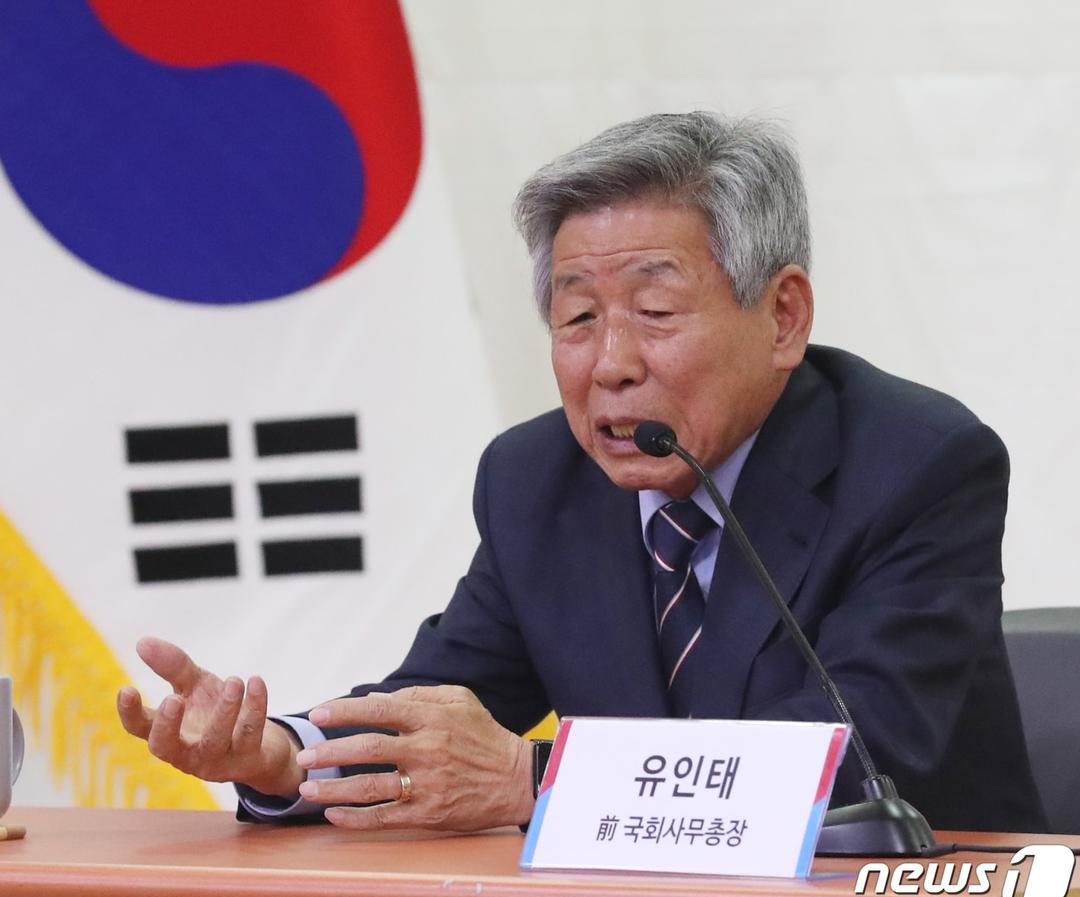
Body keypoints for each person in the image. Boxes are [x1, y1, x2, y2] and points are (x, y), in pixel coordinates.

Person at [117, 111, 1046, 833]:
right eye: (576, 320)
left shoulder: (916, 466)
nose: (610, 364)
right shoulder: (538, 480)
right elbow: (442, 703)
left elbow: (854, 766)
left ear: (783, 317)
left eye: (655, 312)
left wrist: (534, 778)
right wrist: (283, 758)